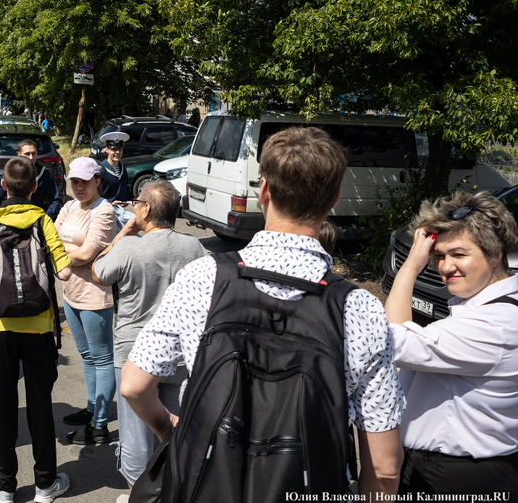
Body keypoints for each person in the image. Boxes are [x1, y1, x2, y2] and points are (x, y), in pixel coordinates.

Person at [121, 126, 405, 500]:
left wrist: (169, 428)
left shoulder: (204, 277)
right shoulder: (359, 309)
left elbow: (134, 385)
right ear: (334, 199)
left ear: (265, 190)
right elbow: (384, 467)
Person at [0, 156, 73, 503]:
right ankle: (45, 484)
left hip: (0, 327)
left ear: (3, 186)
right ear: (35, 187)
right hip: (39, 327)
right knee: (40, 405)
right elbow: (63, 273)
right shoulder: (42, 220)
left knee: (3, 405)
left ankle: (6, 485)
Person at [384, 191, 518, 494]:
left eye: (458, 254)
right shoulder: (491, 308)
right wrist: (414, 264)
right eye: (440, 256)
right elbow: (402, 331)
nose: (445, 267)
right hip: (445, 469)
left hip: (460, 478)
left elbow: (391, 339)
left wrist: (410, 266)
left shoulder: (493, 325)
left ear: (496, 253)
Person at [91, 180, 207, 490]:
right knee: (173, 433)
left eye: (137, 202)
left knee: (136, 440)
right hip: (180, 354)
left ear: (146, 208)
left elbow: (98, 272)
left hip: (134, 354)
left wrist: (123, 233)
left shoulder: (130, 247)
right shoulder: (194, 246)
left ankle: (138, 494)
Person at [54, 157, 117, 444]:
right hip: (71, 294)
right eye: (74, 182)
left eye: (84, 181)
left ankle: (100, 425)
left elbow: (85, 254)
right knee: (87, 357)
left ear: (97, 181)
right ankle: (92, 409)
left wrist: (68, 252)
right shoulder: (69, 206)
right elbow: (50, 241)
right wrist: (74, 249)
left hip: (95, 296)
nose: (79, 187)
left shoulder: (104, 211)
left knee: (102, 359)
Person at [0, 139, 62, 220]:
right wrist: (1, 217)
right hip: (12, 220)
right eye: (27, 154)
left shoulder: (45, 174)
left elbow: (56, 201)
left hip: (35, 220)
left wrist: (46, 218)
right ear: (19, 155)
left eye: (33, 153)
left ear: (37, 154)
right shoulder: (12, 172)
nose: (31, 157)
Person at [98, 132, 130, 204]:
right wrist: (111, 203)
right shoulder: (101, 171)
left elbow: (125, 189)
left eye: (120, 149)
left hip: (120, 211)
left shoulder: (122, 167)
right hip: (105, 211)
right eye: (114, 149)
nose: (118, 152)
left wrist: (134, 199)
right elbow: (96, 196)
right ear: (107, 149)